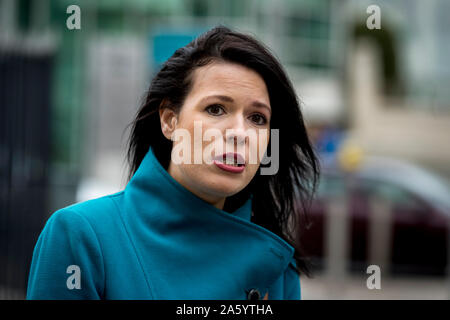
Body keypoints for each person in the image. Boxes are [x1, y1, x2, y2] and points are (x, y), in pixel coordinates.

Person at [26, 26, 320, 300]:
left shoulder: (276, 266)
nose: (239, 134)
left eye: (257, 118)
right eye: (216, 109)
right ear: (169, 120)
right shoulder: (81, 236)